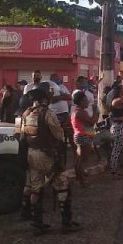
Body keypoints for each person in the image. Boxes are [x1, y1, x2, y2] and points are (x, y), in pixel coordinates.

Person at [21, 86, 80, 235]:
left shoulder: (25, 113)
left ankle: (37, 223)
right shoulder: (48, 114)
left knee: (36, 188)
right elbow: (59, 135)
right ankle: (66, 223)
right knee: (62, 184)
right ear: (44, 99)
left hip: (30, 154)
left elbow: (20, 135)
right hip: (46, 156)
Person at [71, 91, 98, 186]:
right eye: (86, 100)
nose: (87, 102)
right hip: (83, 136)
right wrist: (95, 111)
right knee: (82, 160)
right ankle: (82, 181)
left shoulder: (77, 111)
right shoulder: (80, 112)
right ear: (81, 101)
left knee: (79, 159)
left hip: (79, 136)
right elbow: (91, 122)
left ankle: (79, 179)